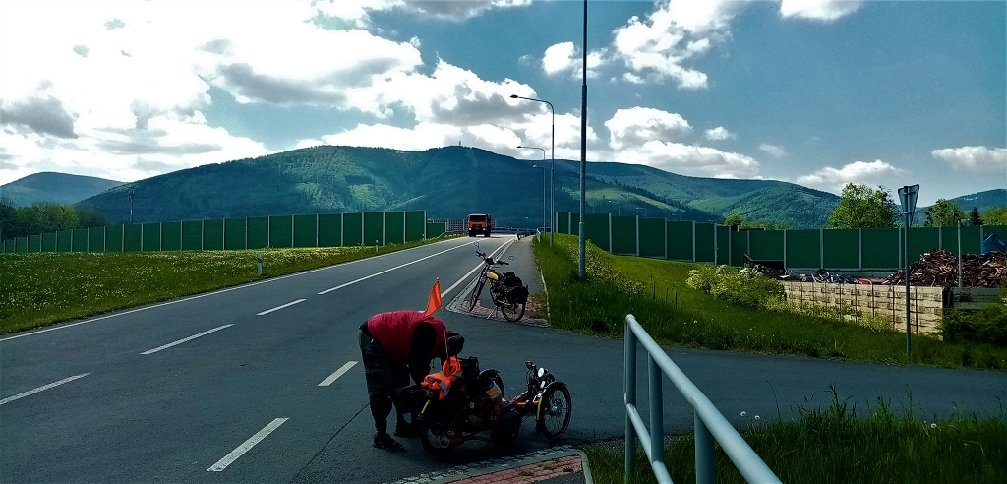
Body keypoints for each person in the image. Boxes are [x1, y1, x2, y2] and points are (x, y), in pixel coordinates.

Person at [358, 310, 463, 452]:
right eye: (443, 355)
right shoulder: (428, 334)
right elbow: (417, 368)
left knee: (402, 384)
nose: (440, 358)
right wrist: (431, 389)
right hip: (374, 335)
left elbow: (431, 365)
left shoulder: (441, 337)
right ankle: (380, 436)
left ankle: (403, 426)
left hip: (394, 344)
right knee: (381, 387)